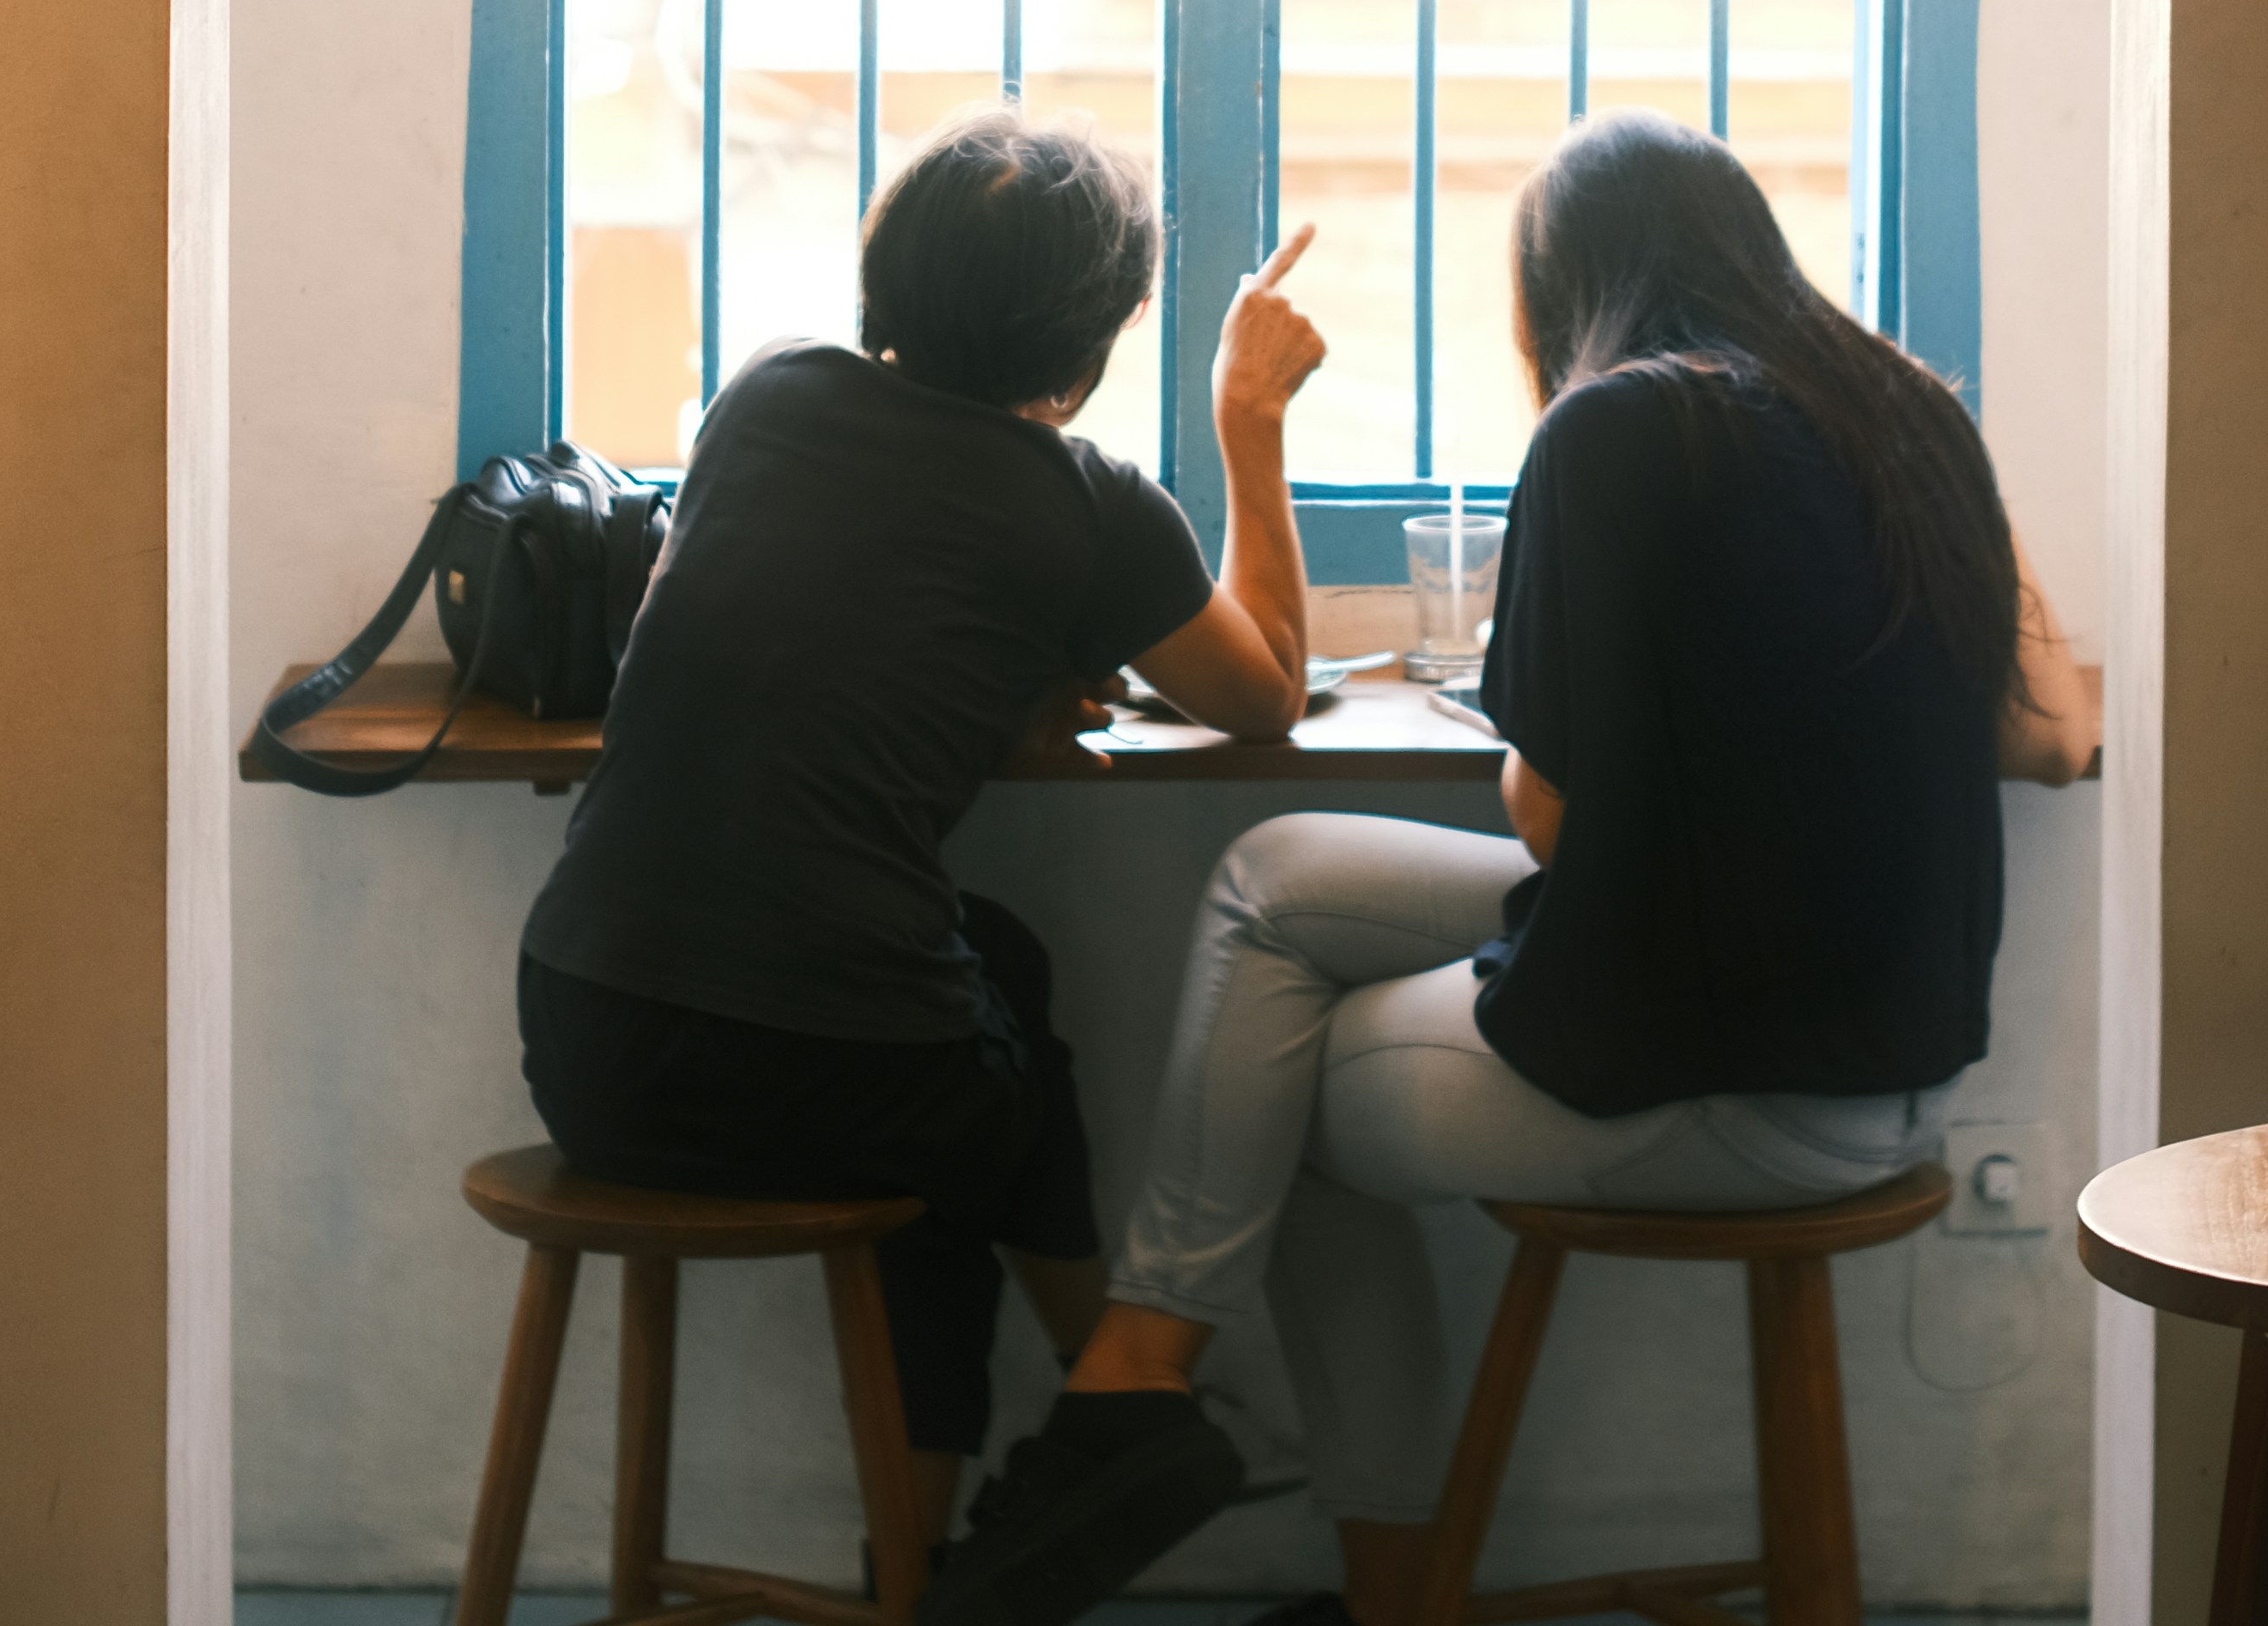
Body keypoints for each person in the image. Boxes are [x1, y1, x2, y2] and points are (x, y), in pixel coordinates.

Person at [922, 110, 2101, 1626]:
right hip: (1896, 1067)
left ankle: (1311, 1532)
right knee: (1274, 875)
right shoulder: (1907, 420)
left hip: (1740, 1085)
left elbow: (1549, 819)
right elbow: (2058, 737)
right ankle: (1140, 1390)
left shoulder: (1612, 431)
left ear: (1567, 295)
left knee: (1277, 1078)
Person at [514, 105, 1325, 1556]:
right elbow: (1264, 693)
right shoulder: (1085, 508)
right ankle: (1108, 1413)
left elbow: (753, 634)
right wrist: (1249, 426)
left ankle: (1014, 1493)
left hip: (586, 1042)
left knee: (974, 992)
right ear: (1086, 357)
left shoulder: (760, 400)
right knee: (960, 1068)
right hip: (832, 1066)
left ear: (882, 279)